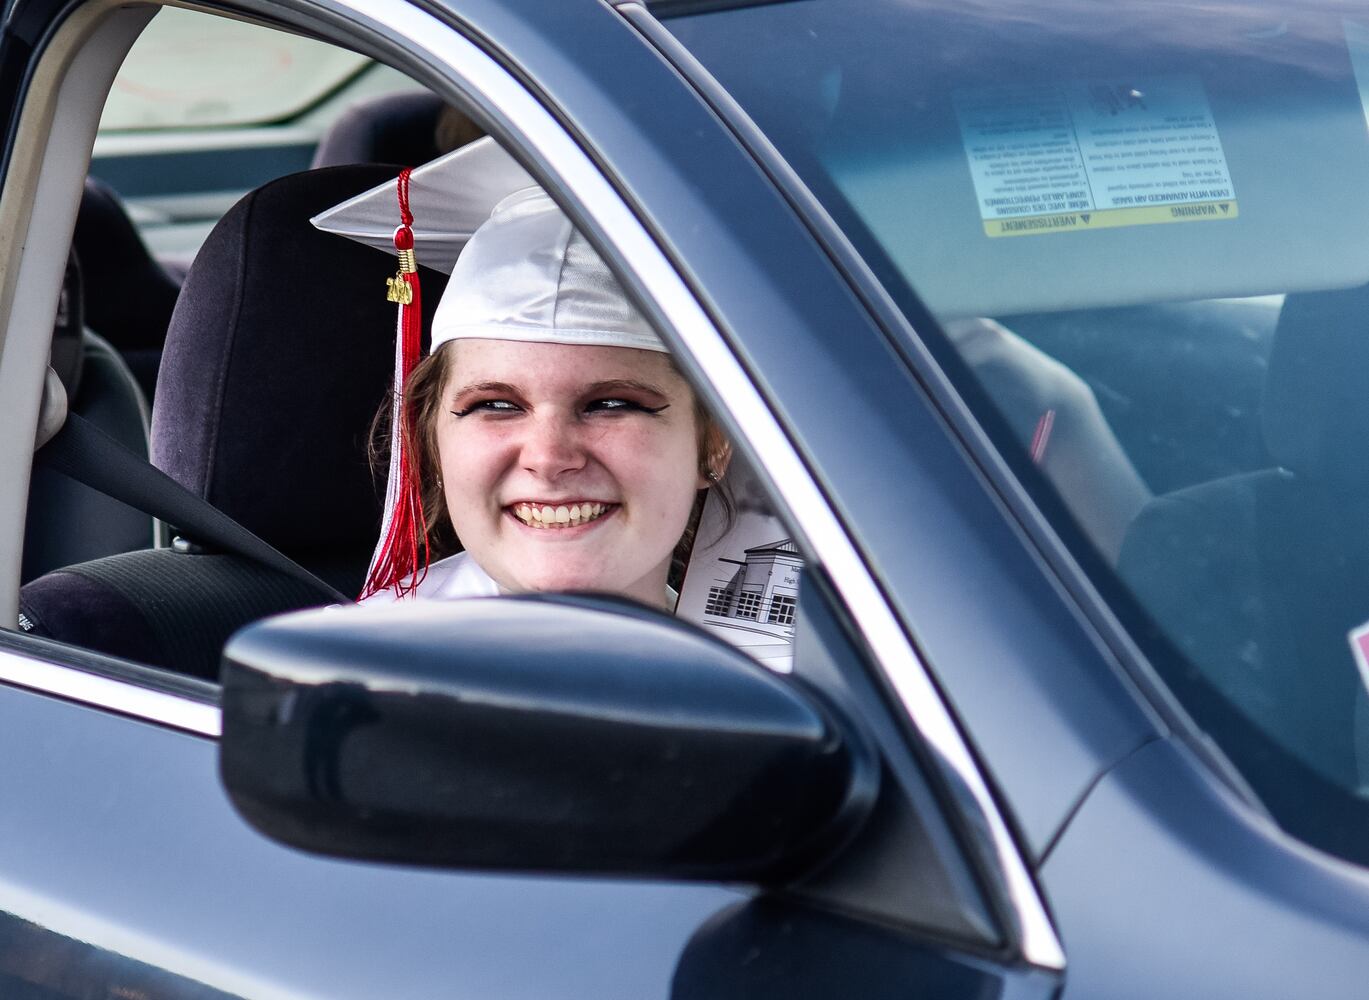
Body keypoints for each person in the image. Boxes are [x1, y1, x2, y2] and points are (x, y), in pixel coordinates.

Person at [359, 184, 731, 608]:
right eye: (495, 405)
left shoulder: (795, 667)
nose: (548, 457)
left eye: (612, 404)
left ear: (715, 443)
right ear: (431, 439)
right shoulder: (333, 666)